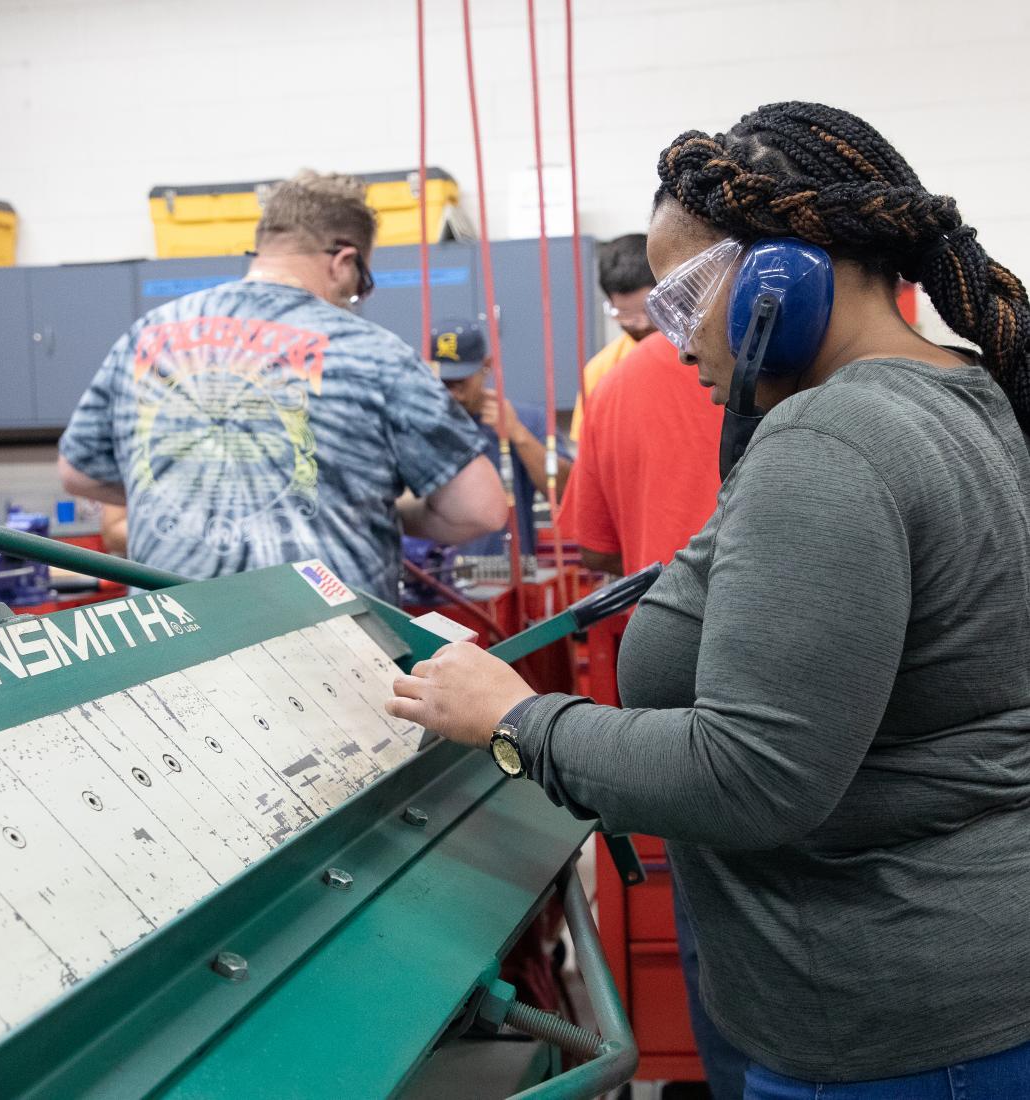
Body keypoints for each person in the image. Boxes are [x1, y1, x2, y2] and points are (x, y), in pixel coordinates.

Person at [388, 101, 1030, 1098]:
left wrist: (512, 717)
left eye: (684, 299)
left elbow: (749, 772)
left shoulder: (830, 441)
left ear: (781, 272)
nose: (675, 340)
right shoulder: (968, 394)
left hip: (887, 1030)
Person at [58, 172, 505, 602]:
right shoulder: (375, 352)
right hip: (325, 648)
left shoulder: (149, 334)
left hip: (172, 643)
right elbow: (480, 509)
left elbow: (78, 471)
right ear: (343, 262)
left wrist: (185, 491)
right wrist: (385, 510)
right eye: (360, 284)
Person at [560, 330, 744, 1099]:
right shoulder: (862, 380)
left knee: (718, 929)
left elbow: (593, 545)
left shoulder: (623, 376)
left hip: (682, 710)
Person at [560, 330, 722, 575]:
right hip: (761, 605)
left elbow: (596, 549)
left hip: (658, 605)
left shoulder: (612, 383)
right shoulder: (782, 368)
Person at [432, 318, 571, 558]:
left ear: (486, 365)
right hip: (436, 576)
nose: (453, 393)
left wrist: (518, 434)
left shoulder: (526, 419)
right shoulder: (420, 423)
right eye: (444, 383)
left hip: (507, 578)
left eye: (460, 382)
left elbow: (565, 492)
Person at [569, 233, 657, 441]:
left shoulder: (698, 355)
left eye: (649, 311)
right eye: (626, 315)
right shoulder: (600, 371)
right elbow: (588, 448)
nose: (641, 324)